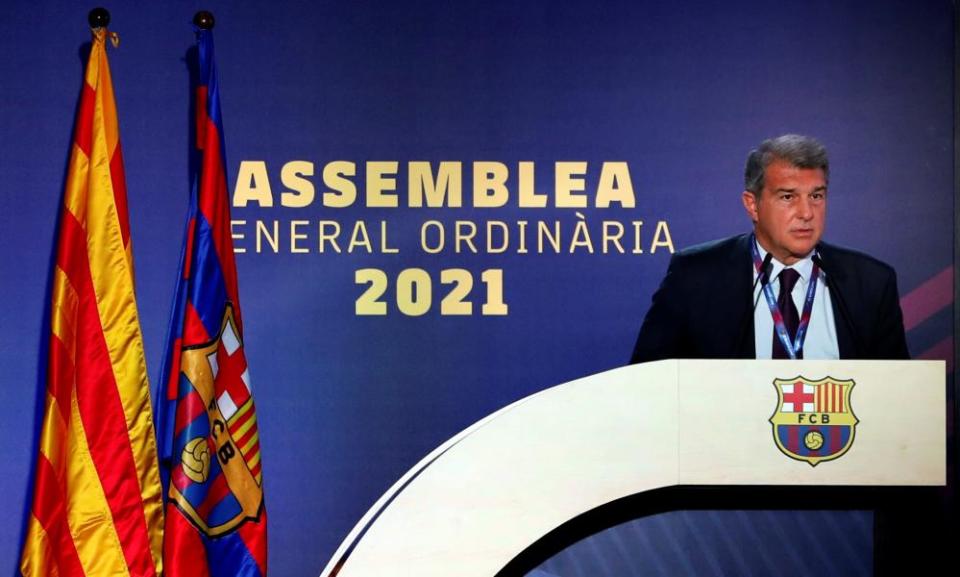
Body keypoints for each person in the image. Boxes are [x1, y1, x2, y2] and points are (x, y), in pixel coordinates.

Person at [630, 134, 909, 363]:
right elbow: (646, 382)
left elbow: (897, 400)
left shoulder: (870, 283)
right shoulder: (695, 276)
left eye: (816, 196)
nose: (806, 213)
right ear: (752, 204)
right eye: (788, 196)